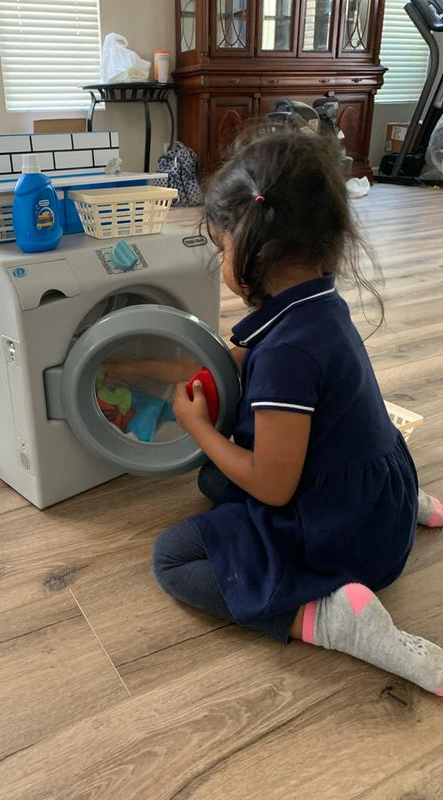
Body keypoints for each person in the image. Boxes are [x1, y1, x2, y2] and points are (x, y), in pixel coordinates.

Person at [153, 128, 443, 695]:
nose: (222, 261)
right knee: (216, 479)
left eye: (222, 248)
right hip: (381, 494)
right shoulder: (315, 303)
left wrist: (197, 428)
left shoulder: (286, 354)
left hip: (351, 540)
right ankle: (406, 507)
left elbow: (274, 487)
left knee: (173, 558)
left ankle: (329, 620)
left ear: (257, 255)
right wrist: (148, 367)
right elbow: (235, 357)